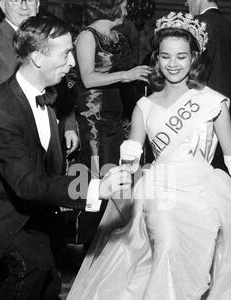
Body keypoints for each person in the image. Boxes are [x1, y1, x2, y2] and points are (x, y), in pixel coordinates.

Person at [55, 12, 231, 300]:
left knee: (195, 268)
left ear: (194, 58)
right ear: (157, 58)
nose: (173, 64)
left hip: (204, 190)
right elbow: (131, 160)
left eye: (181, 56)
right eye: (166, 56)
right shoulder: (144, 105)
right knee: (168, 245)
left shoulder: (213, 102)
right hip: (161, 189)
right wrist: (118, 174)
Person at [0, 15, 131, 300]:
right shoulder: (0, 112)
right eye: (65, 55)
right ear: (38, 58)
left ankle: (27, 295)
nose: (73, 62)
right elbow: (26, 183)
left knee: (48, 284)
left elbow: (51, 162)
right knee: (35, 266)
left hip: (32, 203)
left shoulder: (50, 91)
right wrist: (93, 187)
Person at [63, 0, 151, 246]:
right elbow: (88, 78)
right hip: (93, 116)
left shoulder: (118, 36)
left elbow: (127, 74)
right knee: (94, 175)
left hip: (115, 114)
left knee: (114, 174)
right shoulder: (87, 36)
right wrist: (127, 74)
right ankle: (82, 242)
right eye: (123, 4)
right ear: (109, 6)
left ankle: (106, 240)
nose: (126, 10)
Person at [186, 0, 231, 173]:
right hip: (224, 114)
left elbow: (190, 71)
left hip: (201, 117)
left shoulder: (198, 24)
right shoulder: (230, 26)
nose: (185, 3)